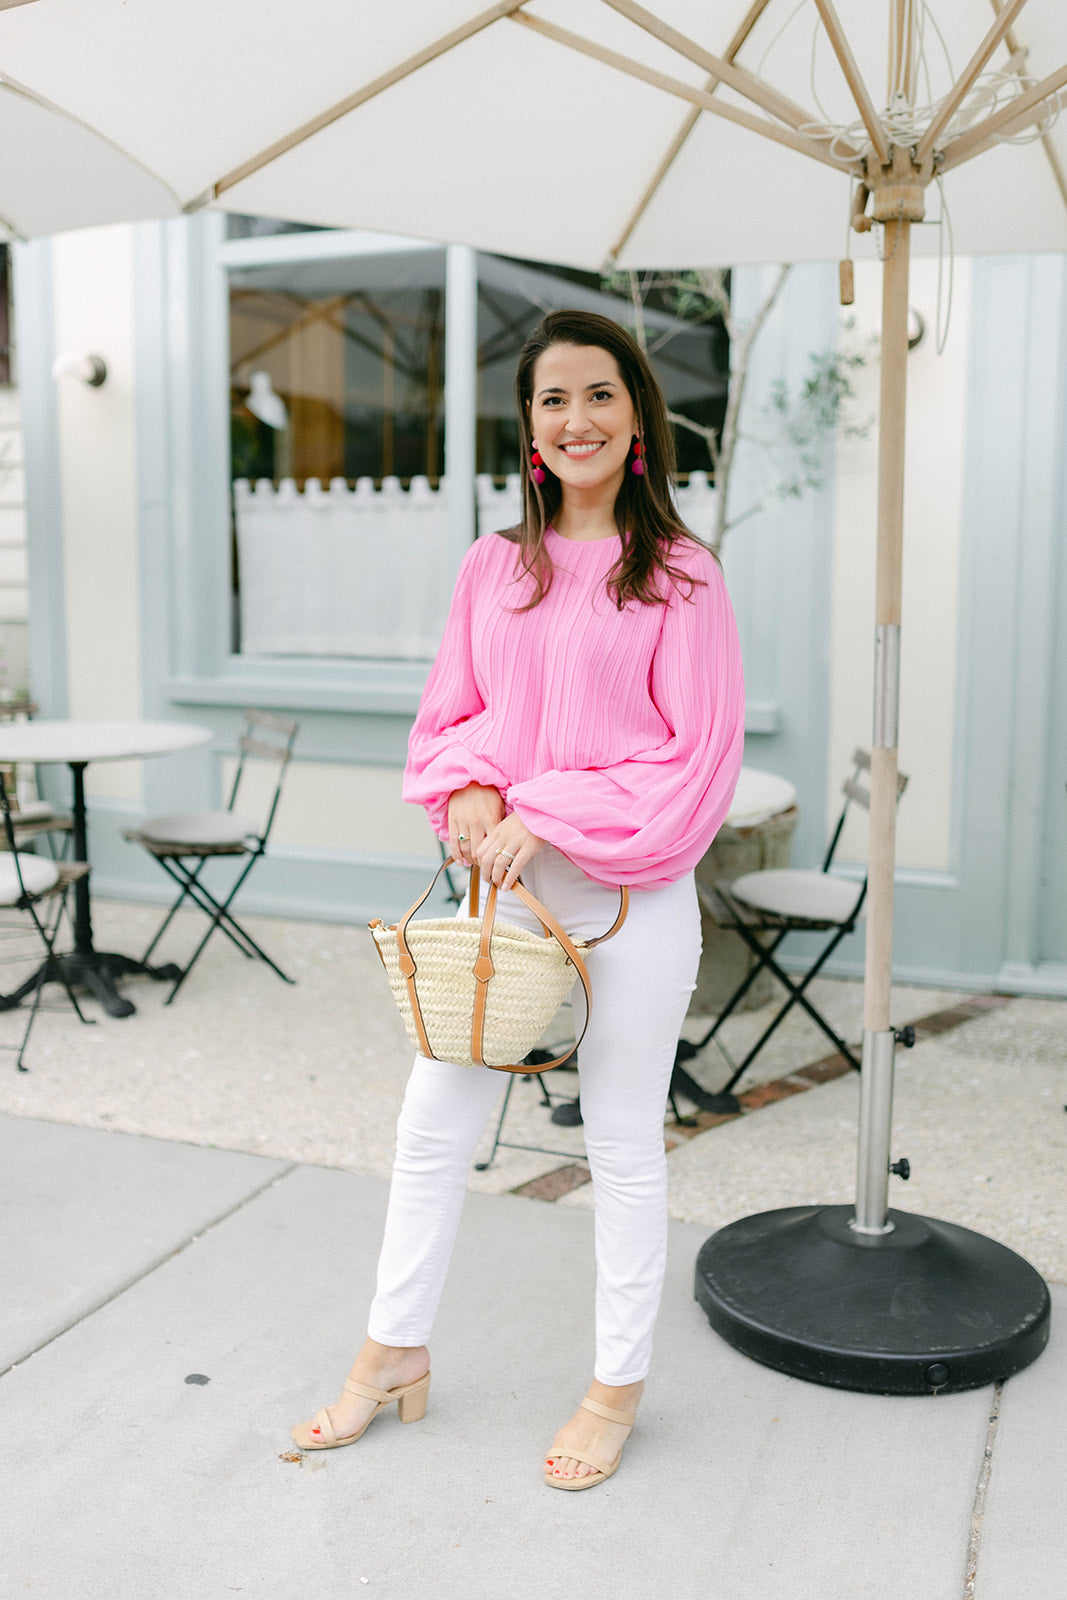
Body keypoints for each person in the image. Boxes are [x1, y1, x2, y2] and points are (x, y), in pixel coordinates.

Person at [292, 308, 745, 1489]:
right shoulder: (491, 566)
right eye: (552, 399)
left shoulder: (683, 576)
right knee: (432, 1121)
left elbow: (694, 760)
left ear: (635, 415)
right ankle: (392, 1348)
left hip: (631, 901)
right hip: (501, 903)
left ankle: (615, 1385)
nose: (575, 418)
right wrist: (475, 800)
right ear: (528, 425)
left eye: (599, 394)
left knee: (620, 1140)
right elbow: (451, 720)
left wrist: (549, 808)